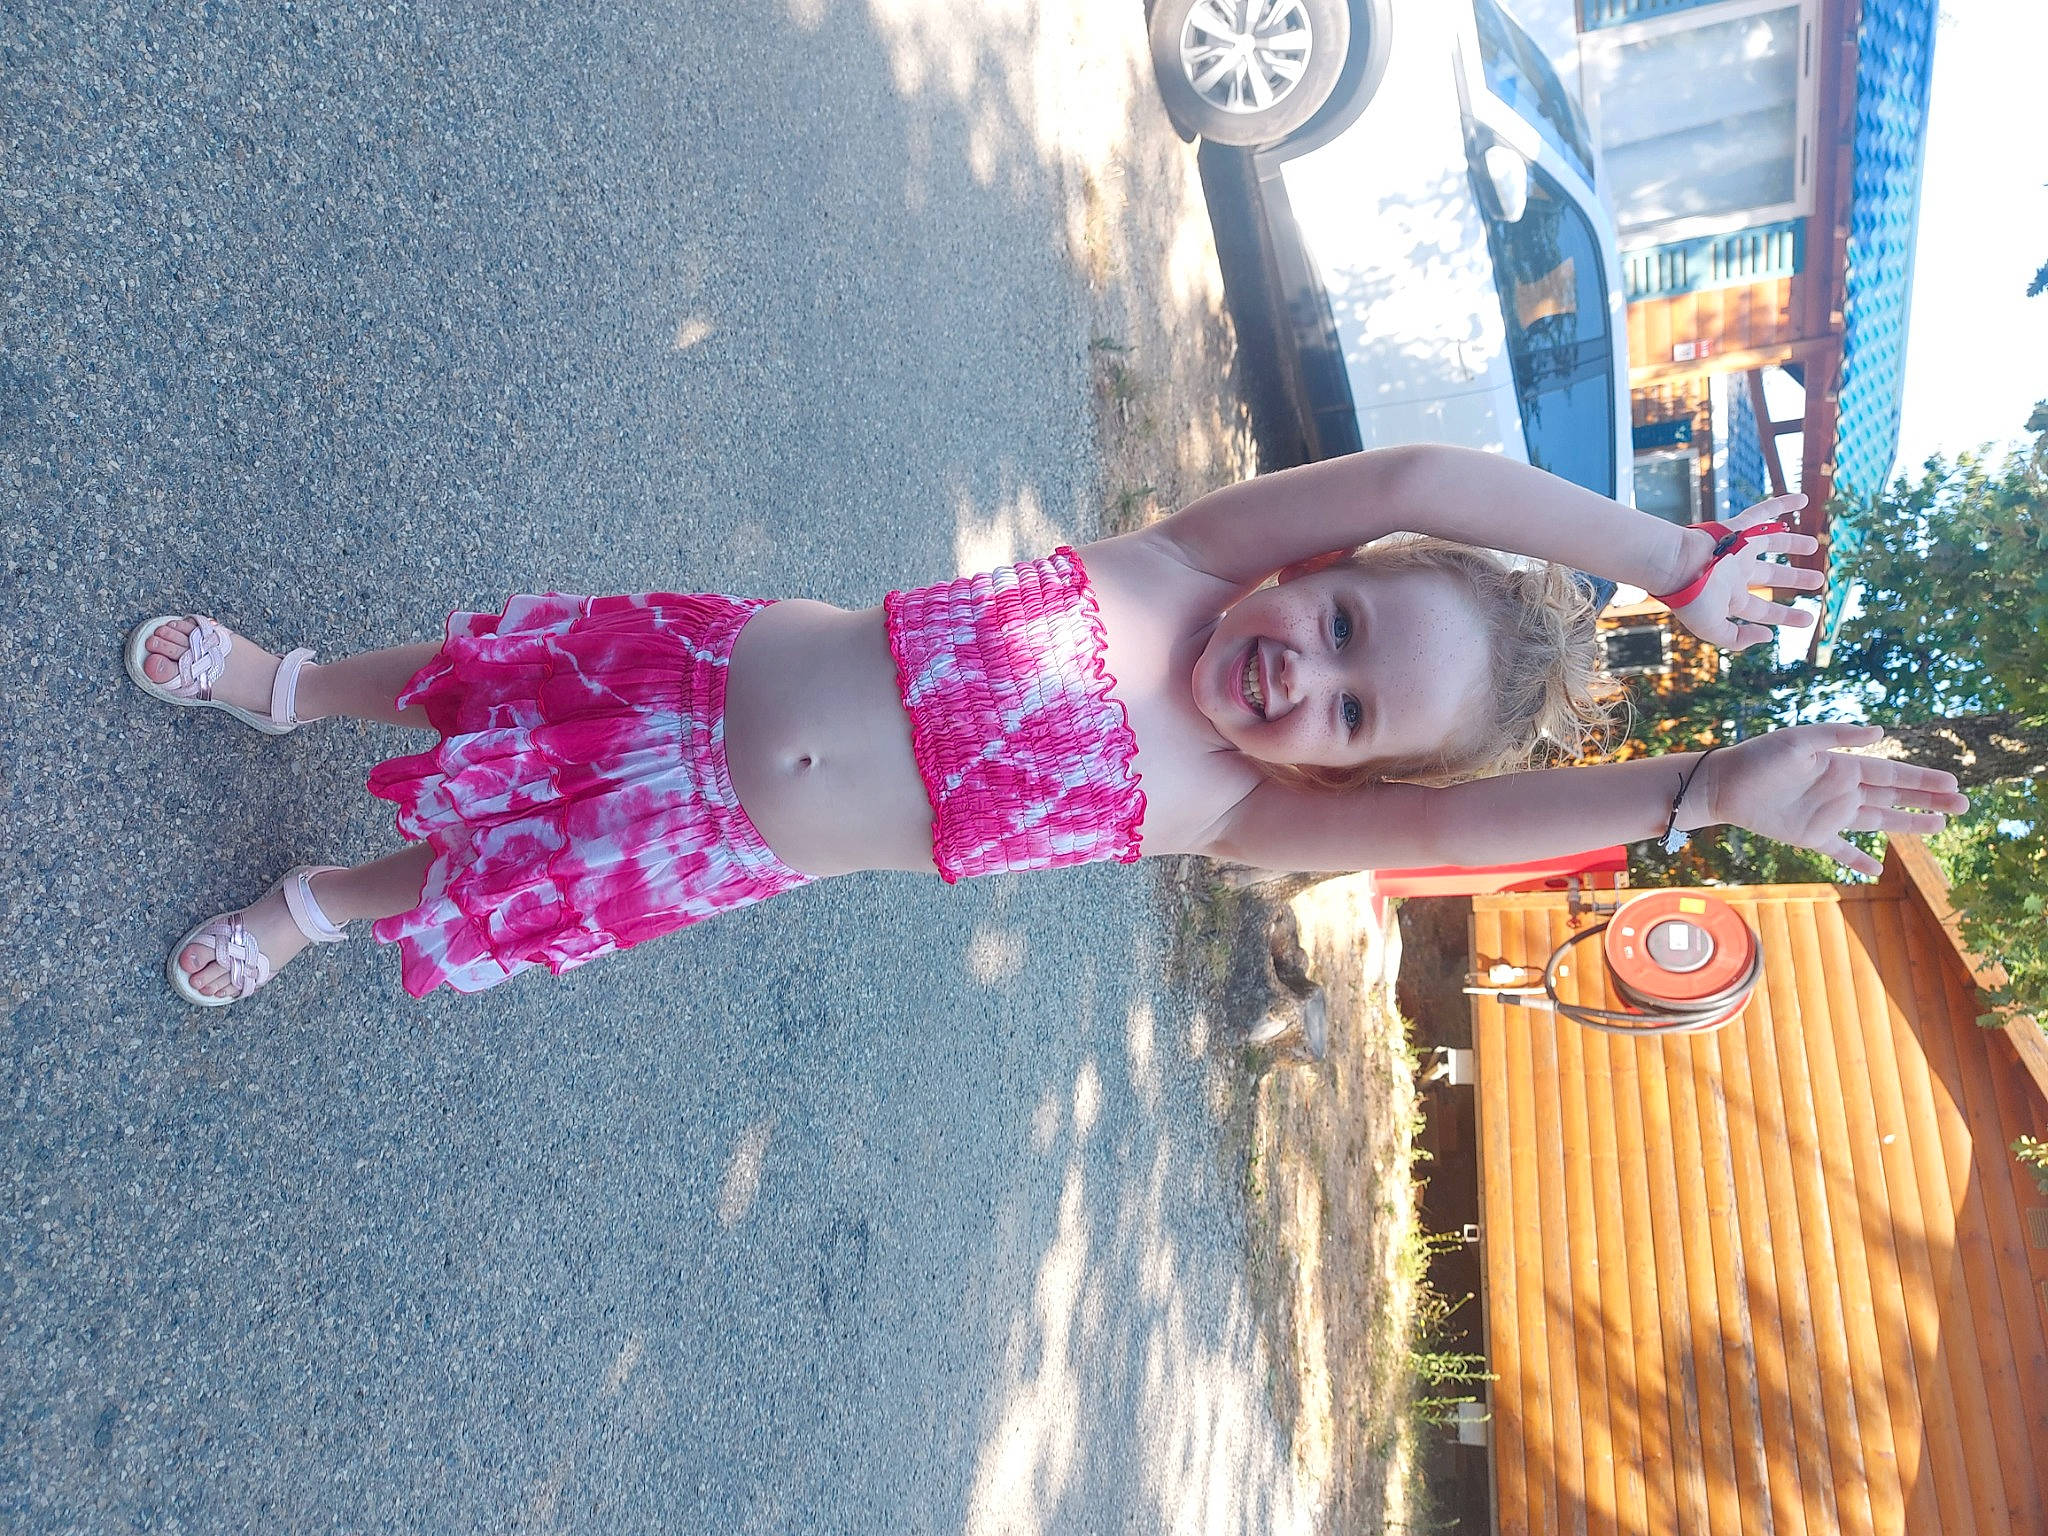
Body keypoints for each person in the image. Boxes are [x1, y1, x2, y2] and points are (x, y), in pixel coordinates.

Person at [126, 446, 1966, 1006]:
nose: (1297, 673)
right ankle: (291, 683)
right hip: (685, 672)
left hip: (713, 842)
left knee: (496, 860)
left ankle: (315, 902)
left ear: (1342, 774)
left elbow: (1473, 836)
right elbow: (1426, 470)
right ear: (1312, 561)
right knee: (472, 688)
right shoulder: (1174, 567)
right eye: (1336, 620)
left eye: (1344, 712)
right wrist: (1670, 560)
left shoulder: (1232, 811)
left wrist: (1714, 786)